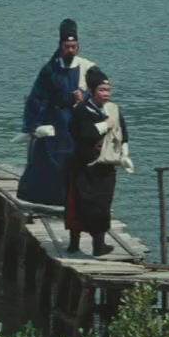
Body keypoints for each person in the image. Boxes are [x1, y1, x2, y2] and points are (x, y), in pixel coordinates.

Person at [14, 19, 98, 207]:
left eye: (74, 47)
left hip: (75, 120)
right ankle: (48, 200)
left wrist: (84, 95)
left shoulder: (86, 67)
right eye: (67, 47)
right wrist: (31, 127)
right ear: (61, 46)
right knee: (49, 162)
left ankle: (73, 201)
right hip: (55, 120)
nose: (70, 50)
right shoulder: (50, 70)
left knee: (75, 159)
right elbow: (36, 98)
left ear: (78, 47)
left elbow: (101, 88)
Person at [66, 66, 133, 256]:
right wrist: (105, 125)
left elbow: (123, 134)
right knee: (78, 203)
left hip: (105, 166)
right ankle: (73, 243)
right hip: (84, 165)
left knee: (102, 205)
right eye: (102, 90)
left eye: (109, 90)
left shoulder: (113, 109)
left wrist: (125, 155)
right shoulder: (81, 110)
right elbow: (81, 133)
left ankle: (99, 245)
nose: (106, 94)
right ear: (92, 91)